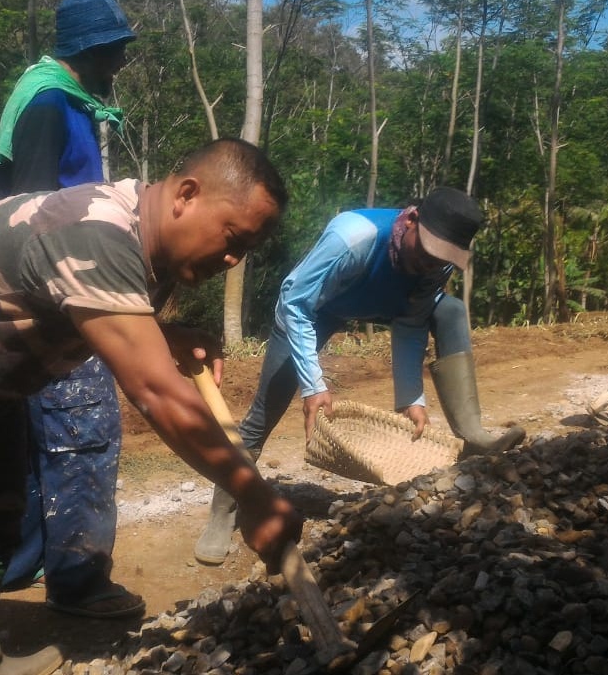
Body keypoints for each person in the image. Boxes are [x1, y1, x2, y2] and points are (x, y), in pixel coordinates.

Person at [0, 137, 303, 675]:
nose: (234, 258)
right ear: (186, 195)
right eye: (233, 237)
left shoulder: (156, 247)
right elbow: (156, 393)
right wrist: (252, 493)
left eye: (248, 249)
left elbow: (77, 305)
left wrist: (161, 333)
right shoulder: (97, 229)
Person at [194, 186, 526, 565]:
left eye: (441, 259)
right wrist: (314, 386)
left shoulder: (438, 262)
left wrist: (411, 398)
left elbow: (411, 323)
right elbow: (295, 302)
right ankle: (225, 508)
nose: (430, 265)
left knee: (447, 310)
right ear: (412, 219)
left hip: (379, 304)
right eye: (427, 253)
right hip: (309, 309)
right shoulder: (353, 237)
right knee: (265, 410)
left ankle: (473, 433)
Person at [0, 0, 143, 619]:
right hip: (60, 296)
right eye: (115, 48)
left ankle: (21, 563)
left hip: (52, 290)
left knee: (37, 439)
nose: (121, 59)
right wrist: (72, 305)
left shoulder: (62, 99)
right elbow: (29, 213)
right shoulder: (51, 105)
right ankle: (79, 582)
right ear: (88, 48)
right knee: (81, 431)